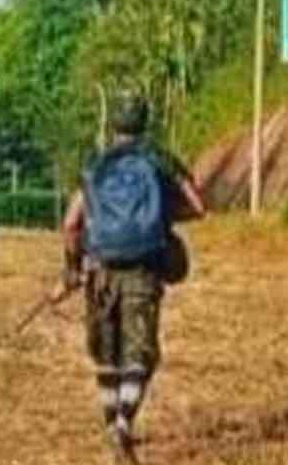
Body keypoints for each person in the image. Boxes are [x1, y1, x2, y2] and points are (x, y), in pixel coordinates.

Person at [59, 92, 207, 464]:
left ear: (113, 125)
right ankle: (124, 422)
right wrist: (161, 216)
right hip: (144, 269)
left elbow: (71, 223)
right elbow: (198, 206)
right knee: (140, 355)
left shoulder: (96, 163)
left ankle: (113, 422)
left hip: (101, 271)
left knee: (107, 354)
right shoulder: (159, 159)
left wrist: (72, 268)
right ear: (145, 122)